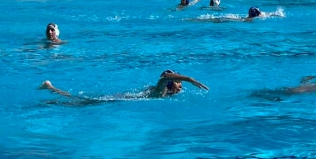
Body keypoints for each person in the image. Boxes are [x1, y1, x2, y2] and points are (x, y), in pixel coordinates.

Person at [40, 69, 208, 100]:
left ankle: (51, 89)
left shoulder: (162, 92)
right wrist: (190, 79)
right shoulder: (160, 92)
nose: (181, 87)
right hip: (116, 100)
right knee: (77, 102)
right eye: (179, 83)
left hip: (120, 98)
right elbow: (165, 75)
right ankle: (51, 88)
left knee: (78, 102)